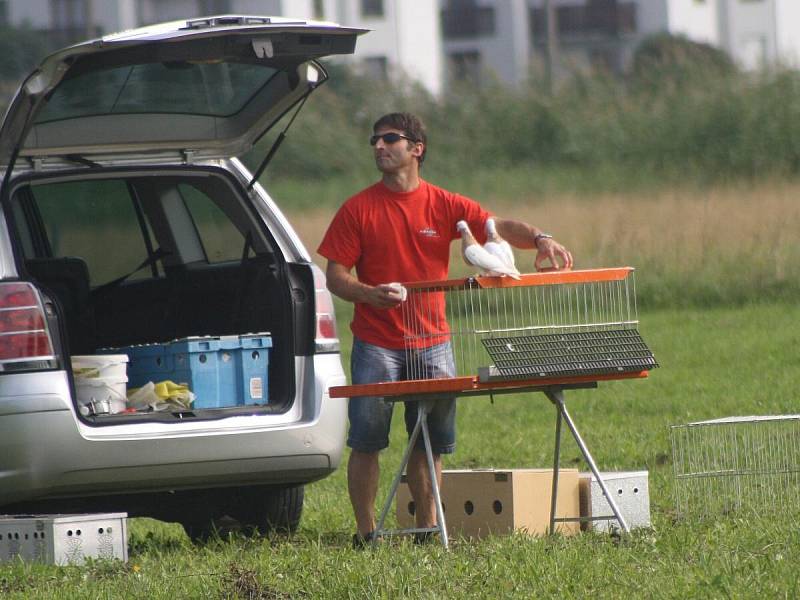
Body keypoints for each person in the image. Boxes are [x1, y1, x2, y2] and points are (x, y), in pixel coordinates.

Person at [317, 112, 573, 546]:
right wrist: (367, 293)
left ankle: (427, 529)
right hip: (377, 343)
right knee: (367, 440)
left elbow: (497, 229)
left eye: (390, 139)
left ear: (417, 148)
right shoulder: (357, 209)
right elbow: (335, 275)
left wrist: (542, 237)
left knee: (430, 441)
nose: (379, 146)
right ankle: (366, 534)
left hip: (433, 342)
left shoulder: (445, 204)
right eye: (374, 140)